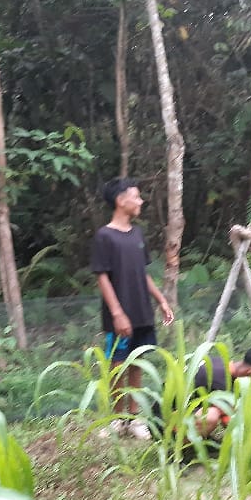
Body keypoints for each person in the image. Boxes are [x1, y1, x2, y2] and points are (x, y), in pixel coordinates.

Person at [92, 177, 174, 439]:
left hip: (141, 311)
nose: (141, 201)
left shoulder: (138, 234)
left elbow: (143, 273)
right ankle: (117, 419)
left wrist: (161, 300)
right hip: (119, 315)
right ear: (120, 201)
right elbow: (102, 276)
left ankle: (135, 418)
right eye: (136, 196)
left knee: (137, 362)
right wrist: (117, 313)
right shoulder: (104, 236)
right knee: (117, 364)